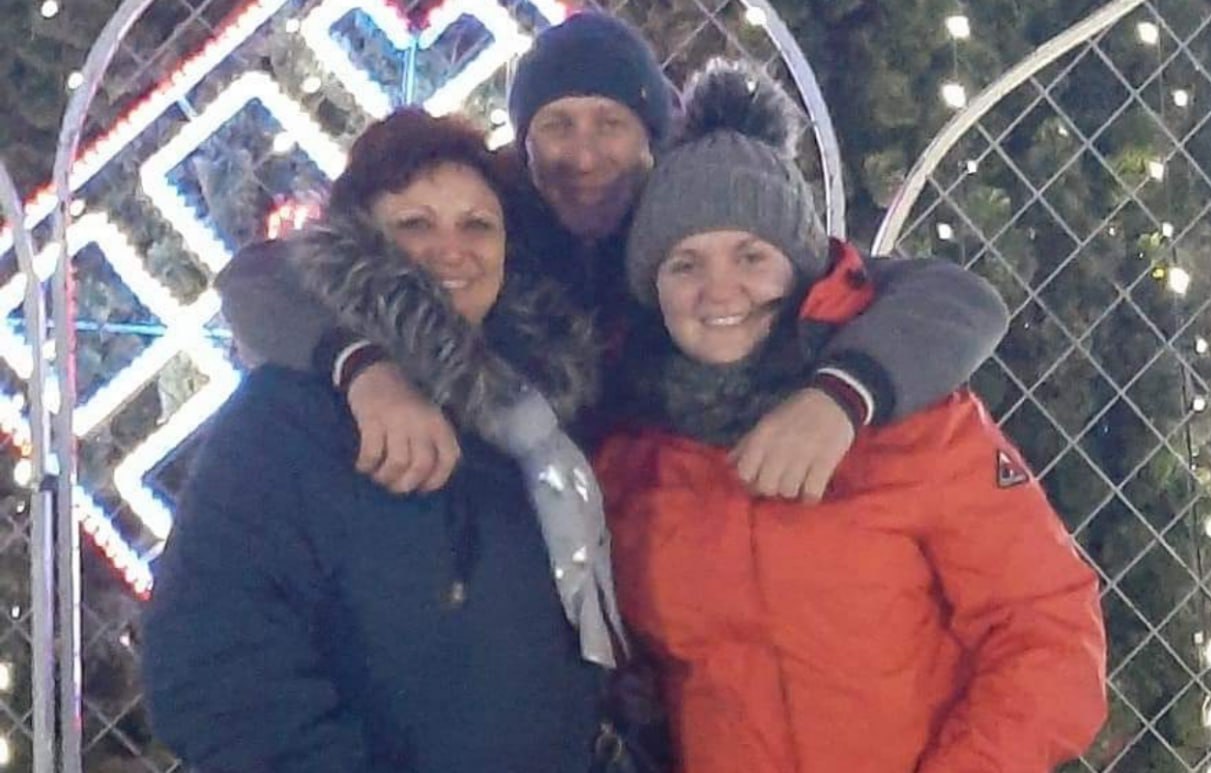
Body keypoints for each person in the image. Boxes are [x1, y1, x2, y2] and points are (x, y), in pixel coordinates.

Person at [214, 11, 1011, 500]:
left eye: (611, 124)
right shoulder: (487, 227)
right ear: (524, 140)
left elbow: (952, 299)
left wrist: (839, 396)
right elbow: (262, 278)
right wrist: (365, 369)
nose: (584, 153)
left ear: (652, 137)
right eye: (557, 125)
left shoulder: (700, 224)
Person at [593, 60, 1108, 772]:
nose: (720, 290)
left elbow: (1048, 632)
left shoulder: (919, 426)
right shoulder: (632, 461)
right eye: (685, 264)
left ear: (799, 264)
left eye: (751, 256)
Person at [143, 110, 626, 773]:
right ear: (362, 242)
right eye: (415, 224)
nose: (452, 249)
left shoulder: (533, 420)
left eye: (477, 225)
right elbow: (213, 670)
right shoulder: (288, 420)